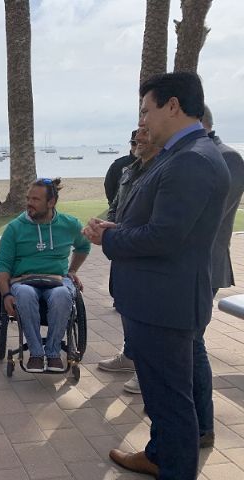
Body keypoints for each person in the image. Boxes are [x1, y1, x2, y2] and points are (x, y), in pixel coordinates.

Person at [84, 72, 230, 480]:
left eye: (146, 110)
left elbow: (166, 237)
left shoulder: (192, 160)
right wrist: (117, 230)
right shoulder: (180, 155)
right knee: (162, 395)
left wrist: (109, 240)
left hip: (164, 305)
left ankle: (175, 468)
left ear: (173, 106)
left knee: (170, 400)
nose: (143, 121)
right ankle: (158, 454)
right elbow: (164, 225)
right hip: (158, 300)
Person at [0, 178, 90, 372]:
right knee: (26, 294)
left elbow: (83, 245)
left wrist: (72, 271)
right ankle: (36, 353)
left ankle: (53, 353)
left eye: (36, 199)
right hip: (24, 281)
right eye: (28, 198)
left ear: (51, 202)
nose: (29, 203)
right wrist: (6, 294)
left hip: (57, 280)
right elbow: (2, 264)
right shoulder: (14, 228)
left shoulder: (70, 224)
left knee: (63, 295)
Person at [195, 104, 244, 448]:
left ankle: (202, 427)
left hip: (203, 266)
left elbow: (207, 217)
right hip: (186, 266)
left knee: (191, 345)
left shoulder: (226, 157)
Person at [98, 127, 160, 394]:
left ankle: (145, 371)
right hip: (123, 247)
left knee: (148, 314)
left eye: (144, 137)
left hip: (144, 253)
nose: (138, 142)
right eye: (135, 139)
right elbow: (115, 203)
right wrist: (108, 226)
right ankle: (130, 355)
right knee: (124, 303)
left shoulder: (162, 170)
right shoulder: (126, 170)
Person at [103, 130, 137, 205]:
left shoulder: (154, 164)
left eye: (141, 142)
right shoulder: (118, 165)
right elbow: (109, 187)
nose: (137, 146)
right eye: (134, 143)